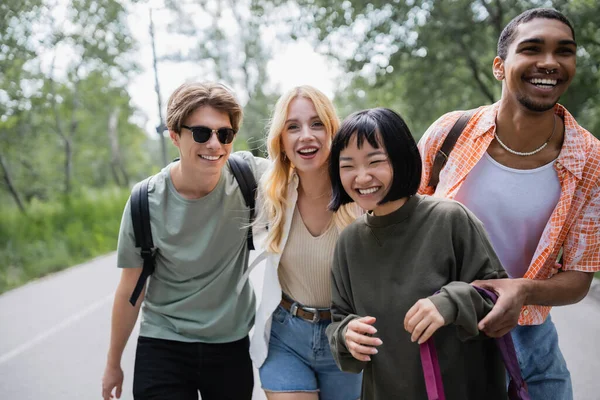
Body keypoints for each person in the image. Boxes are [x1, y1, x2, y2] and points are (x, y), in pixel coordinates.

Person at [417, 8, 600, 399]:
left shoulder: (590, 160)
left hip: (534, 343)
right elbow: (401, 227)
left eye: (563, 51)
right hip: (452, 336)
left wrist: (523, 291)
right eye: (532, 48)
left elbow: (580, 278)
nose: (549, 62)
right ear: (500, 66)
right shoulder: (450, 134)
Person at [101, 81, 269, 400]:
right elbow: (129, 291)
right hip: (164, 342)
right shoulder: (145, 202)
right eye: (202, 133)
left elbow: (308, 177)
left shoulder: (250, 177)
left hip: (229, 343)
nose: (215, 145)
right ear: (175, 135)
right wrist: (113, 363)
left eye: (225, 134)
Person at [326, 107, 508, 400]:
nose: (361, 177)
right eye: (347, 166)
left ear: (402, 158)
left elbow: (499, 298)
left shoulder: (450, 218)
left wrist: (450, 302)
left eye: (375, 161)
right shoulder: (348, 242)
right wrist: (346, 335)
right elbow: (339, 318)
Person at [250, 85, 362, 400]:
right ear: (281, 141)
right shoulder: (273, 194)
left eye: (316, 124)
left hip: (345, 338)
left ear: (332, 132)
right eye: (293, 127)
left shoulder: (359, 194)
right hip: (287, 336)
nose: (306, 136)